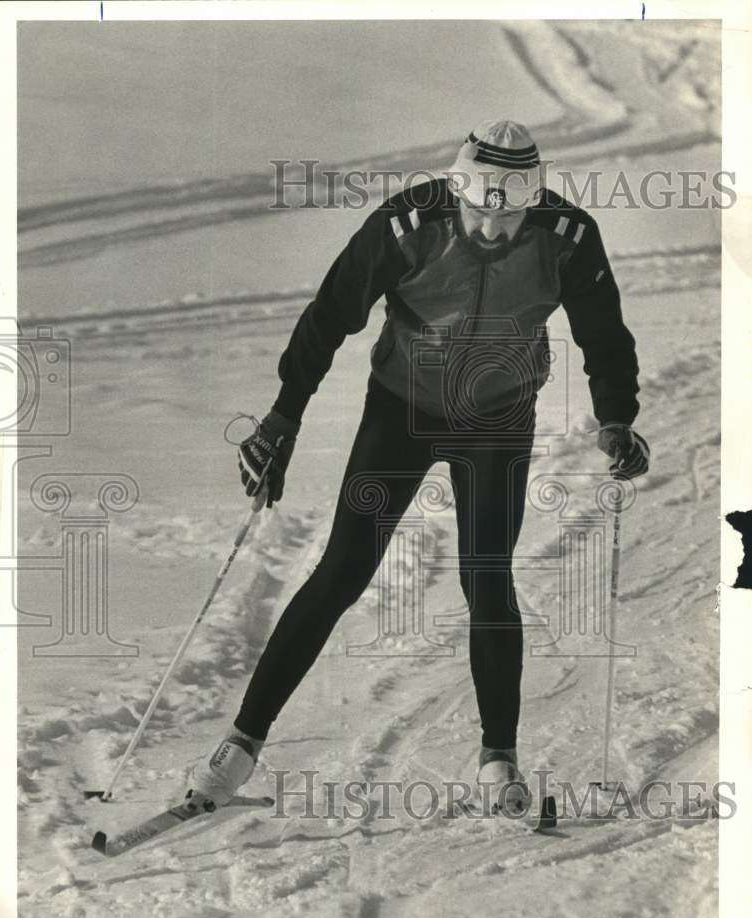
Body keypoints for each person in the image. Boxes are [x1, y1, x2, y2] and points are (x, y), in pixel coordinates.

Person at [187, 120, 650, 814]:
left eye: (510, 213)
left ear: (533, 200)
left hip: (495, 418)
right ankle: (240, 746)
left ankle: (499, 759)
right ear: (458, 192)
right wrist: (285, 415)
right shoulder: (408, 222)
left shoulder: (568, 238)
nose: (493, 228)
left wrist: (616, 417)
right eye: (480, 210)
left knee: (485, 577)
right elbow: (330, 314)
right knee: (340, 573)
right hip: (401, 409)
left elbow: (604, 335)